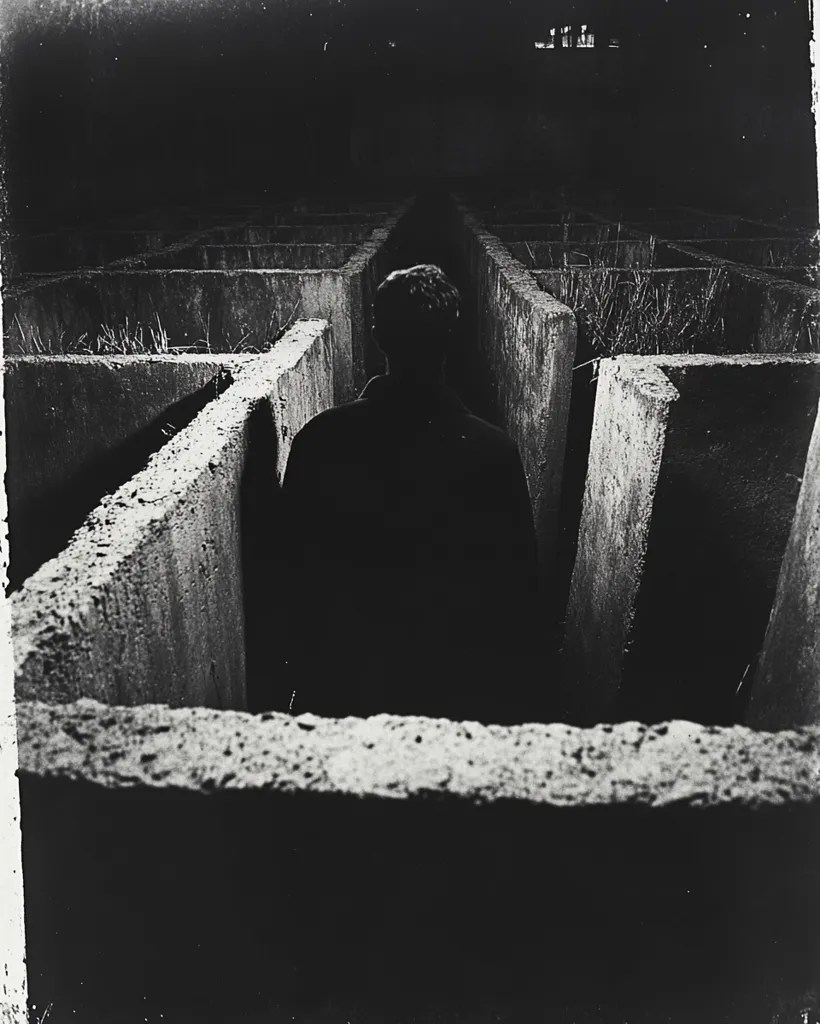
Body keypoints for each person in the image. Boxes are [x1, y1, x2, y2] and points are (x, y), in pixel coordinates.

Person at [280, 264, 542, 724]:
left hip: (347, 699)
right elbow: (517, 595)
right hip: (455, 702)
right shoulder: (494, 451)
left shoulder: (319, 440)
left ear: (377, 333)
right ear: (452, 338)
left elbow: (290, 579)